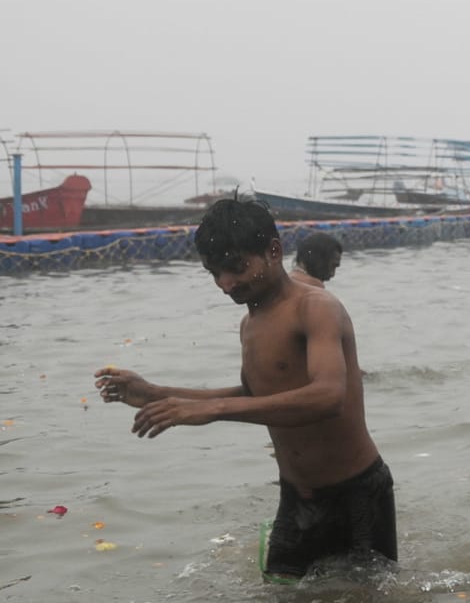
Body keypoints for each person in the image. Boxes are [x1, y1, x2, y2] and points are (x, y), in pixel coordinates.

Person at [93, 197, 395, 580]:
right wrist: (158, 393)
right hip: (296, 497)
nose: (225, 284)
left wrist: (211, 412)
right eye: (214, 273)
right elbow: (255, 398)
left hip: (356, 496)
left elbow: (328, 395)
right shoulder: (249, 324)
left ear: (273, 251)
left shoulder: (315, 308)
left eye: (236, 268)